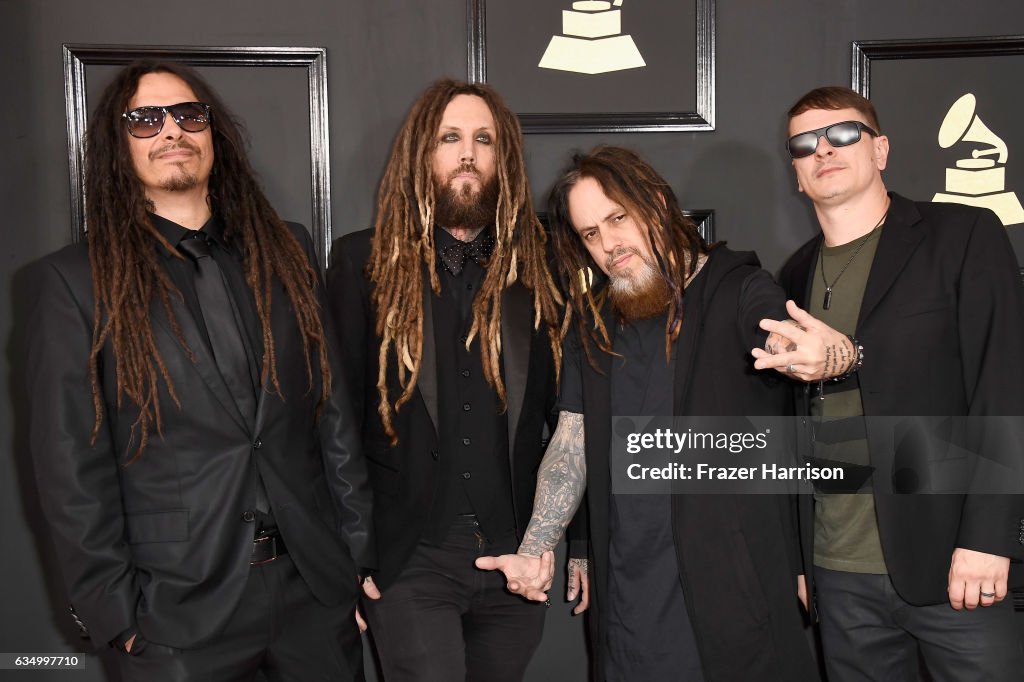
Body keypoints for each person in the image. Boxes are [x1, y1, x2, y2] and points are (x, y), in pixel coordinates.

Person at [25, 60, 375, 682]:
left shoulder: (287, 249)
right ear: (117, 143)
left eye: (188, 115)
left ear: (213, 134)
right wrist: (118, 619)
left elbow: (334, 415)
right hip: (174, 613)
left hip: (313, 593)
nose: (171, 132)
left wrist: (354, 557)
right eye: (145, 120)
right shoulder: (73, 283)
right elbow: (70, 470)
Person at [478, 146, 818, 680]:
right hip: (631, 593)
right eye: (590, 233)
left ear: (657, 204)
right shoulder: (592, 324)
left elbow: (783, 338)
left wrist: (814, 353)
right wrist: (535, 548)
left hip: (732, 587)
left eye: (618, 218)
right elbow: (571, 444)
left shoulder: (739, 287)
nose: (609, 244)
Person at [751, 85, 1024, 680]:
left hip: (954, 561)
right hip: (837, 573)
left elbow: (1004, 386)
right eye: (804, 144)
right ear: (796, 174)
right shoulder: (791, 277)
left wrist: (989, 537)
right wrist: (803, 559)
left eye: (843, 134)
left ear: (881, 151)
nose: (823, 149)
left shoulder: (965, 236)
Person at [327, 78, 577, 682]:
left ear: (503, 158)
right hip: (409, 562)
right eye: (450, 138)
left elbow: (576, 413)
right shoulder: (361, 262)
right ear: (423, 153)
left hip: (516, 563)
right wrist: (353, 556)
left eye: (483, 139)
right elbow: (336, 418)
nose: (467, 153)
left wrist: (578, 544)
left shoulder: (543, 268)